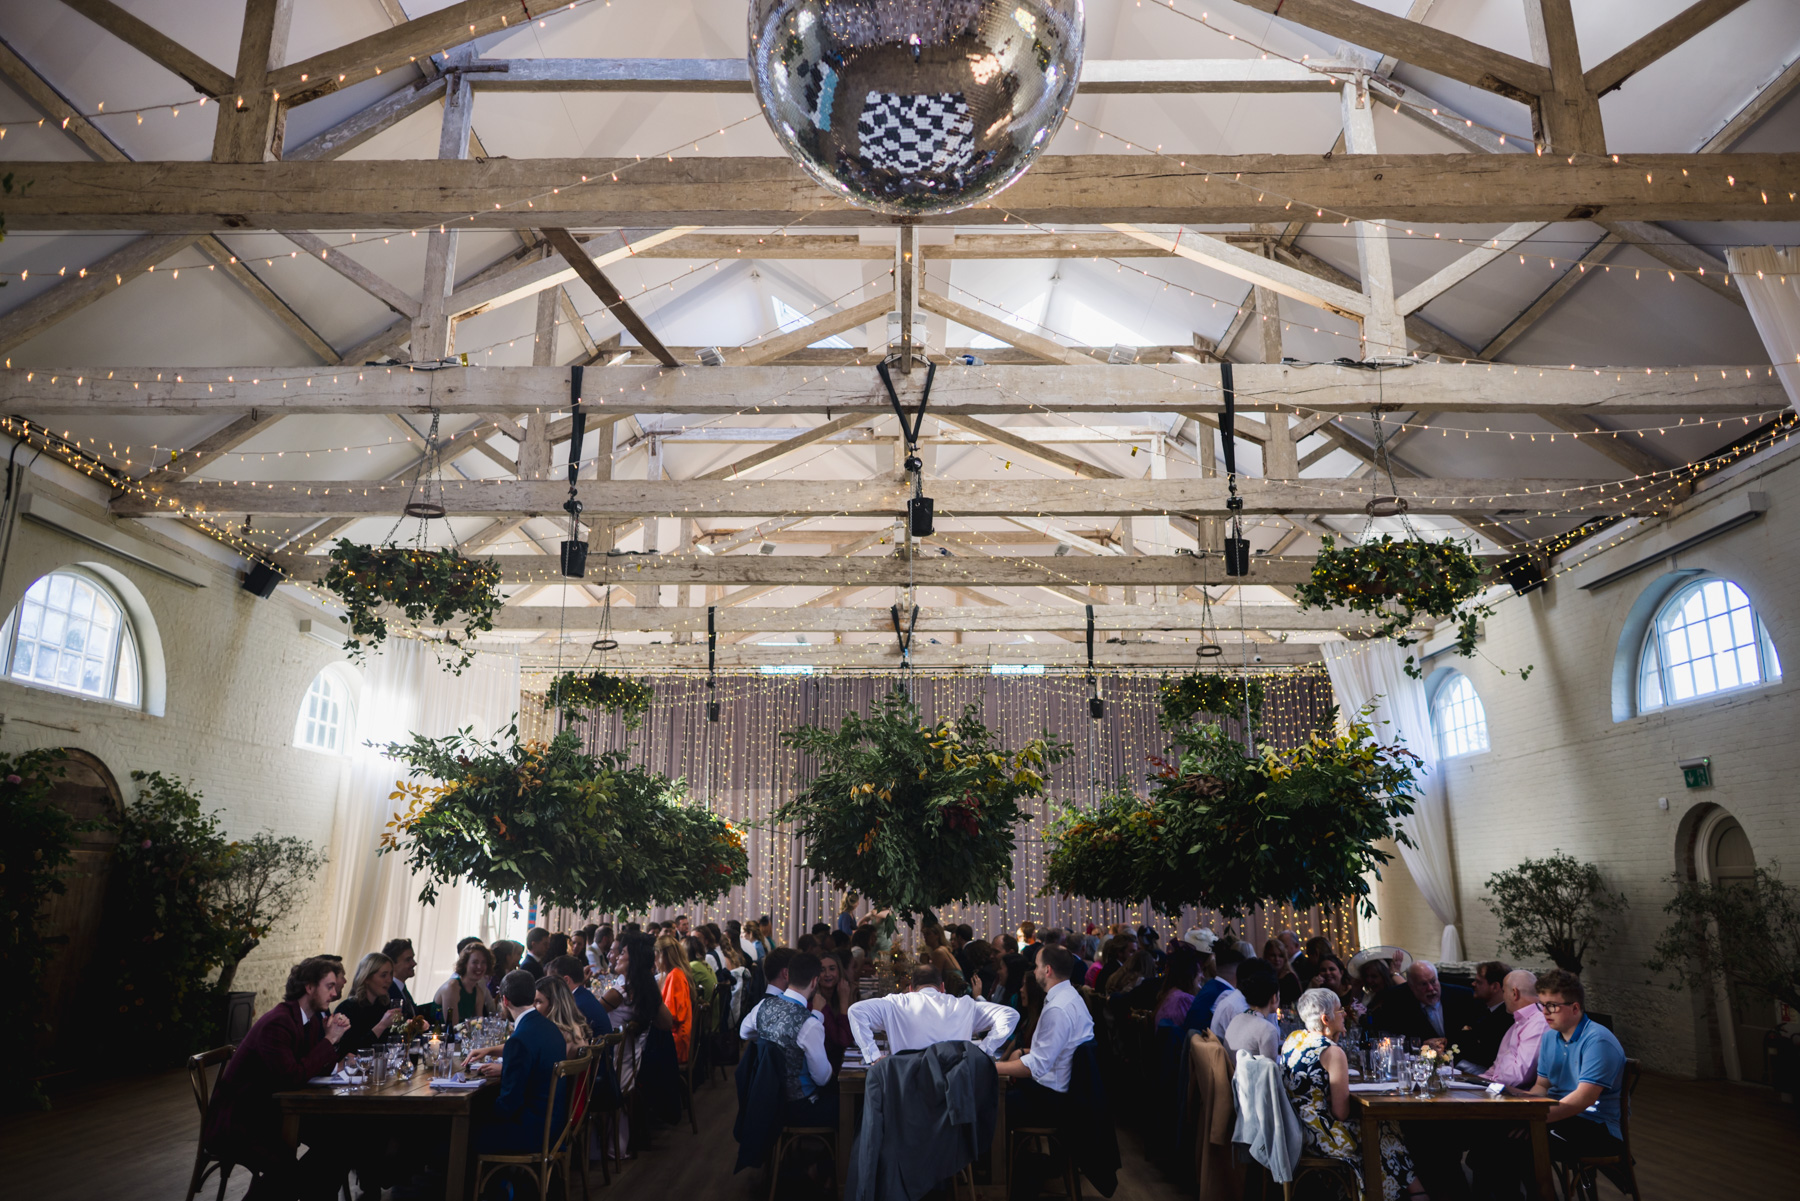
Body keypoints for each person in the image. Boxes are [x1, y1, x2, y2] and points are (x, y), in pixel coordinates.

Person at [203, 957, 354, 1201]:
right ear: (309, 987)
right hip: (242, 1120)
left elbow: (314, 1069)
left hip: (276, 1111)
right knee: (287, 1170)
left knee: (339, 1142)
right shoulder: (279, 1022)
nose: (335, 993)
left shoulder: (310, 1020)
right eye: (329, 986)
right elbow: (292, 1077)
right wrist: (329, 1040)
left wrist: (331, 1039)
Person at [1282, 988, 1419, 1201]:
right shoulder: (1332, 1052)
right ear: (1326, 1019)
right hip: (1321, 1136)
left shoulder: (1294, 1039)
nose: (1345, 1014)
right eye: (1340, 1011)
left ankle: (1406, 1191)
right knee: (1381, 1127)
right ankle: (1396, 1193)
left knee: (1385, 1126)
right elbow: (1341, 1112)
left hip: (1299, 1128)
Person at [467, 972, 579, 1154]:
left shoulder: (519, 1040)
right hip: (554, 1126)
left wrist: (476, 1112)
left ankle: (492, 1181)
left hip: (530, 1132)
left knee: (464, 1128)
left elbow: (509, 1104)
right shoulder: (550, 1028)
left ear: (505, 1000)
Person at [995, 946, 1093, 1127]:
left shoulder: (1058, 1008)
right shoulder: (1070, 996)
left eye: (1037, 966)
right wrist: (1024, 1052)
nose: (1033, 970)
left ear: (1047, 970)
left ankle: (998, 1154)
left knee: (988, 1103)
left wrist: (993, 1067)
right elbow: (1059, 1049)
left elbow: (1036, 1067)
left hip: (1051, 1099)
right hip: (1061, 1091)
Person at [847, 965, 1019, 1063]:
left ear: (911, 989)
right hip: (953, 1091)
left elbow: (856, 1011)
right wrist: (983, 1050)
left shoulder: (895, 1003)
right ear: (942, 988)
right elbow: (1010, 1015)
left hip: (907, 1089)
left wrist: (873, 1056)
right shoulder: (964, 1005)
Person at [755, 951, 837, 1126]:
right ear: (815, 981)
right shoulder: (809, 1023)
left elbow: (744, 1032)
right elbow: (822, 1078)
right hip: (800, 1107)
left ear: (788, 975)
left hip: (766, 1102)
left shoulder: (763, 1005)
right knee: (853, 1104)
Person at [1372, 960, 1480, 1047]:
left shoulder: (1462, 996)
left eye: (1433, 981)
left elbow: (1476, 1034)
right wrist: (1420, 1044)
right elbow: (1389, 1038)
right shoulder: (1396, 1000)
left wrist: (1448, 1041)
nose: (1431, 988)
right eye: (1423, 984)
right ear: (1411, 986)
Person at [1481, 969, 1549, 1090]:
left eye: (1503, 991)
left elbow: (1519, 1077)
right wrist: (1476, 1081)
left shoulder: (1539, 1022)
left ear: (1514, 993)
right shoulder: (1519, 1022)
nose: (1502, 997)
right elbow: (1496, 1068)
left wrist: (1487, 1083)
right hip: (1497, 1088)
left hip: (1514, 1097)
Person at [334, 952, 404, 1053]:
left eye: (390, 974)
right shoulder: (347, 1009)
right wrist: (382, 1025)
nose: (389, 980)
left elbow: (393, 1045)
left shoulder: (384, 1006)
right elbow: (352, 1051)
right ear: (367, 978)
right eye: (383, 975)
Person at [1457, 960, 1515, 1069]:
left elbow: (1486, 1056)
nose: (1473, 984)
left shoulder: (1507, 1018)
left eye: (1479, 982)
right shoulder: (1480, 1008)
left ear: (1495, 987)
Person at [1222, 960, 1282, 1060]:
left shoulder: (1236, 1019)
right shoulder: (1267, 1030)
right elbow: (1270, 1071)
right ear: (1274, 997)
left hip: (1233, 1074)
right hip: (1251, 1075)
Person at [1184, 941, 1244, 1037]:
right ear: (1239, 972)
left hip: (1194, 1045)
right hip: (1205, 1047)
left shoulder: (1210, 985)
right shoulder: (1226, 994)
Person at [813, 949, 856, 1071]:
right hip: (826, 1067)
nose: (827, 974)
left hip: (840, 1062)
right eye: (822, 970)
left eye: (832, 969)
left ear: (839, 972)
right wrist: (844, 1001)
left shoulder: (838, 995)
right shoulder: (817, 1003)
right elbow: (843, 1041)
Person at [435, 941, 499, 1022]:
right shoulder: (452, 987)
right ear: (465, 963)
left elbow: (478, 1025)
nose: (479, 966)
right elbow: (452, 1027)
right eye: (475, 962)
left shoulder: (478, 992)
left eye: (483, 962)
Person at [655, 935, 695, 1064]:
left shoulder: (675, 976)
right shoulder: (676, 973)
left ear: (662, 955)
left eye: (655, 956)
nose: (654, 961)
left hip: (675, 1042)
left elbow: (670, 1017)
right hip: (676, 1036)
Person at [1153, 948, 1202, 1027]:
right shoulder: (1182, 1000)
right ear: (1189, 974)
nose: (1202, 976)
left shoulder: (1171, 994)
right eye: (1199, 971)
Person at [381, 938, 419, 1019]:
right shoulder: (386, 992)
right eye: (408, 960)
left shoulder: (402, 989)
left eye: (413, 958)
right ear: (392, 964)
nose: (414, 963)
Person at [1263, 937, 1304, 1008]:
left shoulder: (1290, 978)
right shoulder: (1262, 977)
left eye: (1280, 956)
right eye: (1273, 955)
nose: (1277, 959)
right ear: (1266, 956)